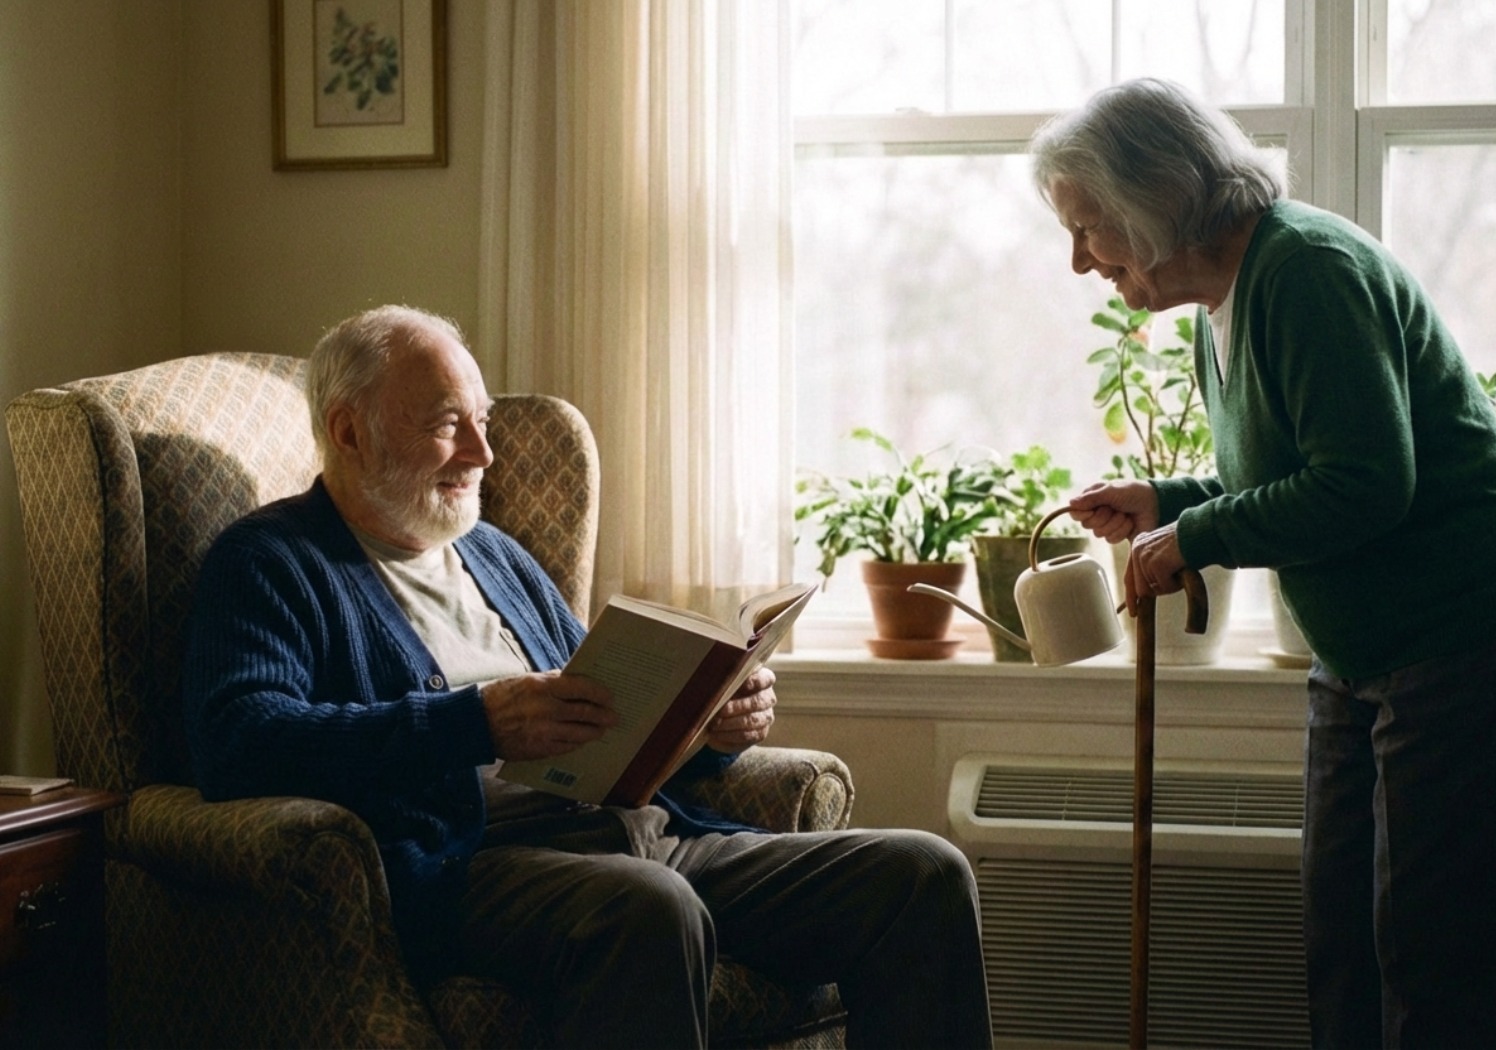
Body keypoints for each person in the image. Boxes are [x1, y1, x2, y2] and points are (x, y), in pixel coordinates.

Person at [182, 304, 993, 1049]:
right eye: (446, 426)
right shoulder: (270, 563)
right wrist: (477, 722)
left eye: (483, 422)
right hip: (475, 869)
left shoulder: (495, 554)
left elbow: (610, 717)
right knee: (648, 909)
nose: (482, 453)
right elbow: (238, 740)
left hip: (641, 838)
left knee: (920, 874)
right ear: (349, 431)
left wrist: (707, 726)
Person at [1030, 79, 1496, 1049]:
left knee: (1437, 953)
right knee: (1342, 938)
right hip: (1365, 644)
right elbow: (1288, 473)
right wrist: (1172, 503)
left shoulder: (1307, 270)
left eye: (1089, 228)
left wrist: (1194, 539)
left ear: (1154, 198)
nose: (1079, 262)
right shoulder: (1220, 302)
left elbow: (1366, 485)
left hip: (1466, 625)